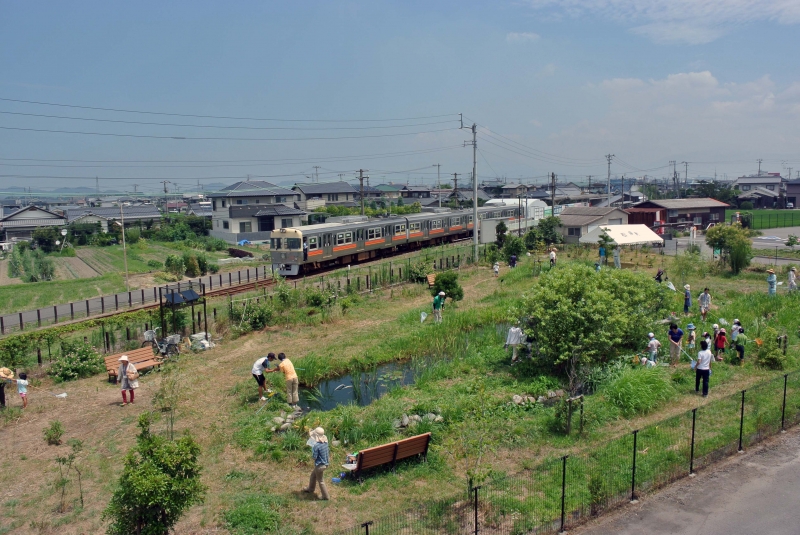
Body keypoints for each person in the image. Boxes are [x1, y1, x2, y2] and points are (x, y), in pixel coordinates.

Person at [302, 427, 330, 500]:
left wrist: (313, 451)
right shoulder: (325, 442)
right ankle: (310, 489)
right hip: (325, 463)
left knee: (321, 481)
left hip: (319, 465)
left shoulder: (316, 445)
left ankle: (325, 496)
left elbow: (314, 457)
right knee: (313, 476)